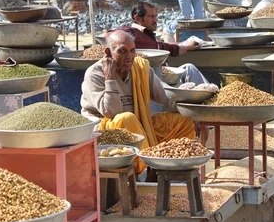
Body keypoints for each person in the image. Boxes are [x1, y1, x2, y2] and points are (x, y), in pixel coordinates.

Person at [81, 30, 196, 173]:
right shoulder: (95, 74)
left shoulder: (139, 67)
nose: (129, 57)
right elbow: (111, 112)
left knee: (183, 121)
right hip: (106, 131)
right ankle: (149, 167)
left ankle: (166, 168)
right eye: (122, 51)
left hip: (139, 126)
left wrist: (193, 113)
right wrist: (110, 78)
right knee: (127, 119)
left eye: (132, 51)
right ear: (108, 52)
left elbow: (164, 94)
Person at [119, 1, 208, 86]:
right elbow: (112, 33)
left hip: (164, 75)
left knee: (189, 68)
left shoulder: (149, 35)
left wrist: (187, 47)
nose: (155, 20)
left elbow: (167, 47)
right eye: (151, 16)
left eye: (155, 16)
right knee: (190, 69)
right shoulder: (132, 33)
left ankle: (214, 97)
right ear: (138, 18)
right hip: (152, 81)